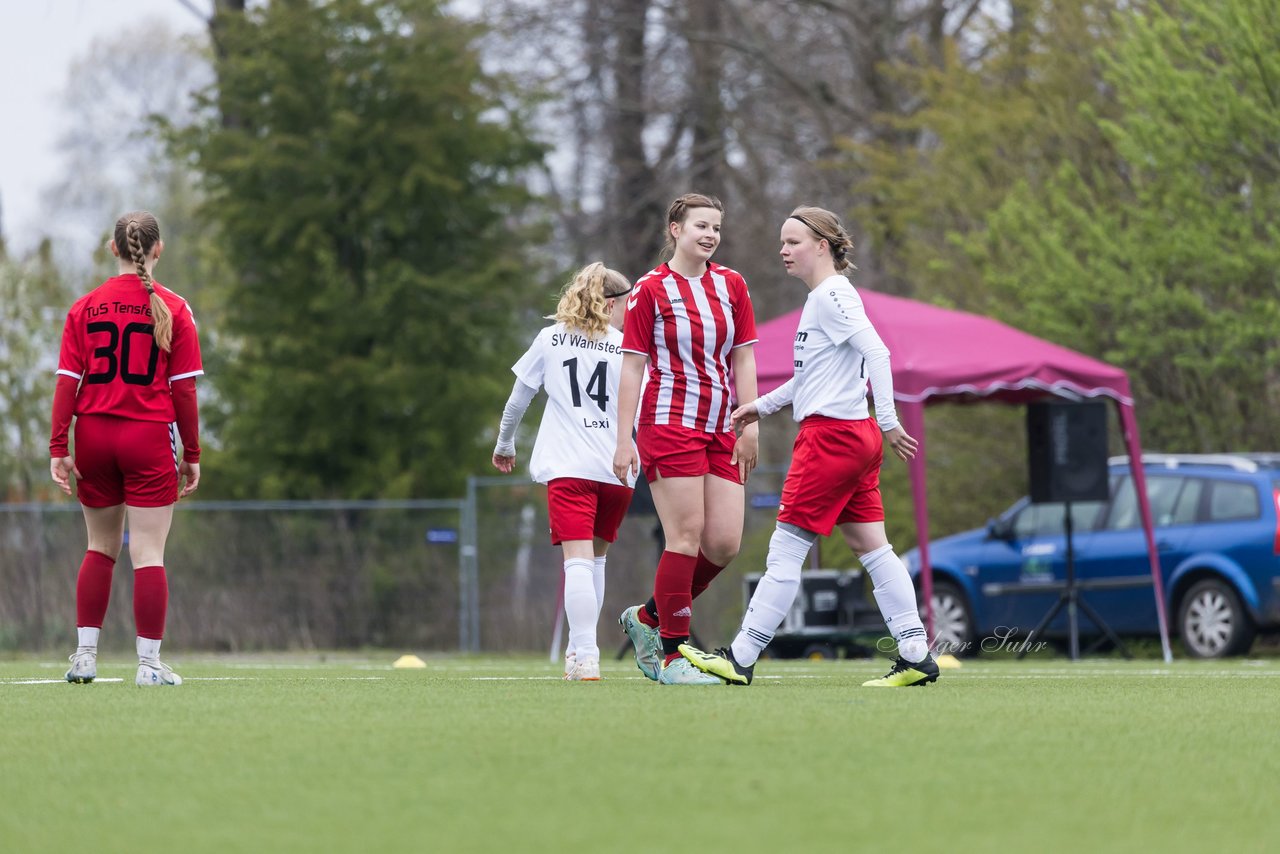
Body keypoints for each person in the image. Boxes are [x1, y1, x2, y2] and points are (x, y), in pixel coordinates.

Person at [678, 205, 939, 688]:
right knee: (874, 548)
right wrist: (761, 406)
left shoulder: (832, 295)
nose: (783, 249)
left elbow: (877, 352)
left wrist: (889, 419)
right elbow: (809, 379)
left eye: (793, 241)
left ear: (822, 246)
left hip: (832, 439)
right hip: (850, 436)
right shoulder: (822, 297)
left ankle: (740, 657)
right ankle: (917, 655)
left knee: (786, 550)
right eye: (782, 241)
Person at [51, 211, 204, 688]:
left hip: (93, 434)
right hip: (147, 436)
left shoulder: (85, 307)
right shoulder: (175, 309)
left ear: (112, 248)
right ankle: (149, 666)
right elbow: (184, 393)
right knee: (149, 553)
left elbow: (66, 385)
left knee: (99, 547)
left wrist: (59, 445)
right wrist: (192, 454)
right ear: (157, 251)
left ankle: (85, 658)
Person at [613, 193, 759, 686]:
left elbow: (744, 358)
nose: (710, 235)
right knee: (686, 535)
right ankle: (672, 656)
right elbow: (632, 368)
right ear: (675, 229)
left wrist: (751, 421)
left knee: (722, 544)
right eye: (701, 225)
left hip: (721, 424)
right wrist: (623, 439)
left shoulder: (732, 284)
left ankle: (648, 618)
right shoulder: (649, 290)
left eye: (716, 227)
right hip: (668, 422)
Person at [493, 262, 637, 681]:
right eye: (626, 304)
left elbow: (518, 400)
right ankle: (579, 652)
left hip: (571, 468)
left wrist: (505, 443)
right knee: (596, 562)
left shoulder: (551, 339)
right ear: (610, 305)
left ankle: (586, 655)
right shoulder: (627, 347)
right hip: (617, 469)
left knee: (576, 562)